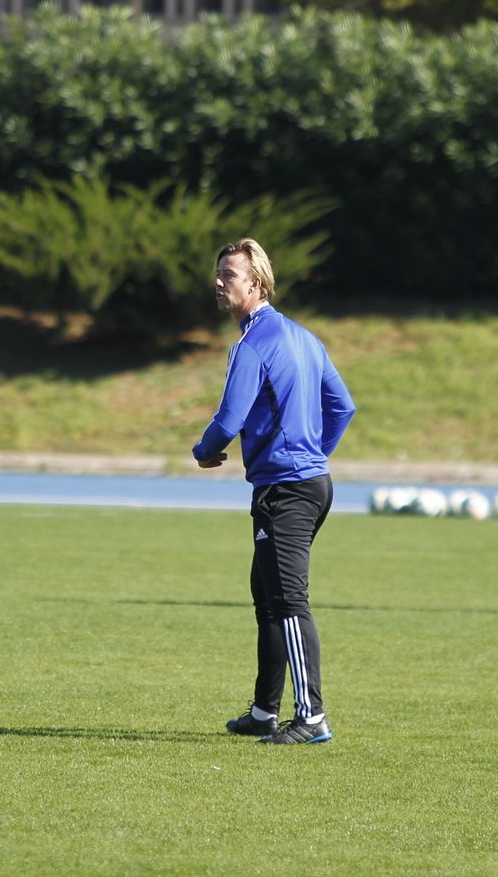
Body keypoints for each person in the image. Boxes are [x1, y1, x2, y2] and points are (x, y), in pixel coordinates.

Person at [193, 238, 356, 745]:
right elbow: (342, 406)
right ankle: (265, 711)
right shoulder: (305, 338)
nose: (219, 282)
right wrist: (314, 455)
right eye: (218, 273)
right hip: (309, 483)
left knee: (288, 600)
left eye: (229, 275)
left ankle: (311, 718)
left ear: (256, 283)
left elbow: (228, 419)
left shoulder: (254, 342)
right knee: (267, 597)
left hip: (286, 489)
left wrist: (203, 450)